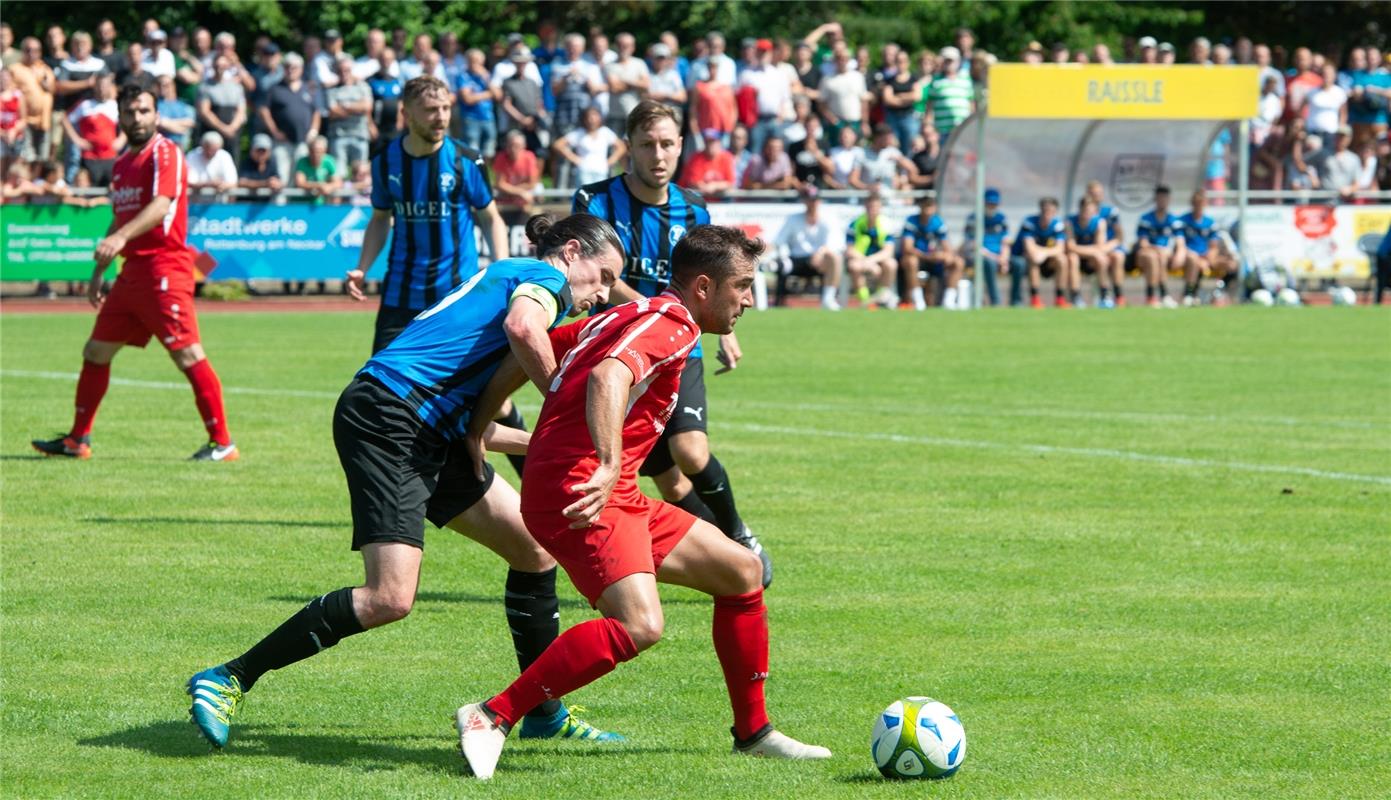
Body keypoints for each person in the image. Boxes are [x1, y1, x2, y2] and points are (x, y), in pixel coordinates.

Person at [186, 213, 625, 751]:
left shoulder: (511, 276)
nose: (603, 293)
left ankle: (542, 711)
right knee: (388, 597)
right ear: (572, 251)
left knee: (533, 550)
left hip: (422, 425)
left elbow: (469, 423)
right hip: (392, 418)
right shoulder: (546, 279)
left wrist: (546, 441)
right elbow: (522, 329)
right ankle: (229, 676)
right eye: (602, 275)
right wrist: (564, 401)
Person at [455, 226, 831, 780]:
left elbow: (521, 357)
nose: (749, 299)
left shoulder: (628, 313)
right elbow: (609, 375)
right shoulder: (675, 325)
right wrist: (606, 463)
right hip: (585, 489)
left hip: (612, 489)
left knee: (742, 571)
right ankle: (492, 714)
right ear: (703, 287)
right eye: (742, 286)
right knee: (640, 625)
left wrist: (477, 429)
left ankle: (754, 733)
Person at [573, 100, 771, 585]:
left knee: (691, 454)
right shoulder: (594, 202)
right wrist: (649, 309)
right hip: (618, 349)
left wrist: (729, 332)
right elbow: (597, 271)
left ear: (681, 146)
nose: (657, 154)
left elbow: (716, 276)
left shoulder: (694, 206)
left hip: (681, 347)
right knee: (668, 479)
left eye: (666, 144)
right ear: (630, 148)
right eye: (646, 145)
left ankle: (738, 536)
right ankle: (719, 560)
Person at [32, 83, 236, 462]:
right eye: (129, 112)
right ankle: (78, 440)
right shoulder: (124, 164)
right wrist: (99, 272)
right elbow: (119, 218)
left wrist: (121, 237)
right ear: (120, 117)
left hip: (165, 268)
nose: (137, 118)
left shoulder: (166, 152)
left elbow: (161, 205)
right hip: (131, 274)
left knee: (188, 355)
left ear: (156, 115)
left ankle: (222, 443)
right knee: (95, 351)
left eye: (144, 111)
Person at [346, 76, 509, 354]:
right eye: (432, 110)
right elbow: (380, 218)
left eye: (446, 108)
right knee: (379, 386)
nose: (441, 117)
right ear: (406, 114)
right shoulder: (385, 161)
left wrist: (503, 269)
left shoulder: (466, 160)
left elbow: (491, 217)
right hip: (401, 293)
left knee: (473, 389)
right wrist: (362, 267)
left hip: (458, 294)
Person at [770, 184, 842, 309]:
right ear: (804, 201)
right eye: (809, 200)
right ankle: (778, 302)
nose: (812, 203)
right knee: (781, 264)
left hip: (820, 261)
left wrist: (820, 253)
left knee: (835, 258)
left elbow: (835, 244)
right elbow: (779, 241)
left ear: (819, 201)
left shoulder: (829, 219)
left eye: (814, 200)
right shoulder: (793, 219)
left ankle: (828, 298)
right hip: (796, 260)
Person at [901, 194, 962, 310]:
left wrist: (945, 255)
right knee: (911, 261)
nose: (928, 210)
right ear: (920, 207)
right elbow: (907, 248)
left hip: (933, 259)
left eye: (931, 207)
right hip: (920, 258)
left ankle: (949, 301)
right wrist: (927, 256)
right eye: (926, 206)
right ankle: (918, 301)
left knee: (958, 262)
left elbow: (946, 245)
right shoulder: (912, 221)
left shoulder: (937, 222)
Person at [1010, 196, 1071, 308]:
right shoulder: (1029, 222)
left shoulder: (1058, 225)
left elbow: (1060, 248)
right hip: (1023, 258)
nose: (1047, 213)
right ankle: (1035, 298)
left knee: (1062, 260)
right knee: (1033, 258)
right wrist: (1040, 253)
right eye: (1045, 210)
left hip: (1046, 258)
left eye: (1051, 211)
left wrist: (1043, 253)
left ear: (1055, 212)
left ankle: (1060, 298)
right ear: (1040, 210)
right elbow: (1029, 247)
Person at [62, 72, 122, 187]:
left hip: (110, 157)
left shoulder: (114, 105)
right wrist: (77, 140)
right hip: (90, 157)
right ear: (95, 86)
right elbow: (65, 120)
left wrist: (121, 140)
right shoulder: (85, 105)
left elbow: (126, 124)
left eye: (105, 86)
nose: (101, 89)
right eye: (99, 85)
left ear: (110, 87)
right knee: (90, 189)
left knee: (111, 190)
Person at [1178, 190, 1237, 305]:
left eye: (1201, 203)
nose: (1198, 206)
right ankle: (1189, 294)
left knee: (1232, 265)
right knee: (1193, 260)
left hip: (1206, 257)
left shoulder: (1210, 223)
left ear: (1205, 204)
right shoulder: (1182, 221)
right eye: (1196, 203)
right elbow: (1179, 244)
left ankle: (1219, 293)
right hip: (1189, 257)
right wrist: (1199, 259)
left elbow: (1213, 246)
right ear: (1192, 203)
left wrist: (1209, 257)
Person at [845, 191, 899, 309]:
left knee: (891, 264)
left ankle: (882, 296)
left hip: (877, 259)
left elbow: (888, 251)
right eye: (870, 207)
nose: (872, 210)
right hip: (860, 259)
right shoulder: (855, 224)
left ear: (880, 208)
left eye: (875, 207)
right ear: (865, 207)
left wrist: (871, 260)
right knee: (854, 266)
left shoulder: (887, 224)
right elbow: (850, 250)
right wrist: (867, 261)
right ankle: (865, 301)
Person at [1135, 184, 1185, 307]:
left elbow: (1180, 242)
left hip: (1164, 255)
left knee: (1160, 256)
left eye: (1165, 198)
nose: (1162, 201)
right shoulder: (1146, 219)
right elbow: (1143, 243)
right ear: (1155, 199)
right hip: (1147, 253)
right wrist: (1158, 249)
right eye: (1160, 198)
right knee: (1153, 257)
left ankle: (1163, 296)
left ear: (1168, 200)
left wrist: (1179, 255)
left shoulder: (1174, 221)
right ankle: (1154, 296)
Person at [961, 187, 1010, 307]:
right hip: (980, 255)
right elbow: (973, 244)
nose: (992, 206)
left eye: (994, 204)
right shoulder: (974, 218)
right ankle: (995, 301)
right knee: (989, 264)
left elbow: (1005, 241)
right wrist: (995, 258)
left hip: (998, 256)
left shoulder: (1001, 219)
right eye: (989, 203)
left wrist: (1004, 258)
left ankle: (1016, 300)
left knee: (1019, 263)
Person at [554, 105, 624, 188]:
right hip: (584, 170)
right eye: (589, 116)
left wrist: (610, 161)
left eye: (595, 115)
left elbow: (621, 147)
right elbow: (558, 144)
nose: (592, 119)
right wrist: (573, 158)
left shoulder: (605, 132)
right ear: (584, 119)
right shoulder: (579, 133)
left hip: (601, 171)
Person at [323, 55, 372, 171]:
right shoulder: (332, 90)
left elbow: (367, 107)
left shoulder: (363, 87)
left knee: (361, 173)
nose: (344, 73)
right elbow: (333, 111)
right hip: (338, 136)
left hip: (360, 135)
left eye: (347, 70)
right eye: (340, 70)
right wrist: (357, 108)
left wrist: (344, 106)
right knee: (339, 173)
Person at [1066, 196, 1116, 308]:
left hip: (1091, 259)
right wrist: (1092, 251)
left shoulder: (1099, 222)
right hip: (1078, 258)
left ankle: (1105, 296)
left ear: (1094, 211)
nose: (1087, 212)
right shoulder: (1070, 222)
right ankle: (1075, 297)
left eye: (1090, 210)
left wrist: (1088, 251)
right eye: (1084, 209)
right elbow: (1070, 247)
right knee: (1072, 258)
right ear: (1080, 209)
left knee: (1101, 259)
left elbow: (1100, 247)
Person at [492, 129, 540, 224]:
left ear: (523, 146)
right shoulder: (501, 157)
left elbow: (532, 183)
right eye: (511, 145)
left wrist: (515, 191)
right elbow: (500, 184)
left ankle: (536, 223)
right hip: (508, 193)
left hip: (518, 192)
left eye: (517, 146)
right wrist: (519, 192)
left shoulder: (529, 157)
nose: (513, 149)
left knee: (538, 190)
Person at [456, 48, 498, 158]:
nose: (476, 64)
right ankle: (473, 174)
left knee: (489, 150)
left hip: (488, 117)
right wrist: (488, 94)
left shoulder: (487, 76)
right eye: (473, 61)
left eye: (478, 61)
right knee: (472, 151)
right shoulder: (463, 76)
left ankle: (486, 173)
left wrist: (486, 78)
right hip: (471, 118)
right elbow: (468, 99)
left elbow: (498, 95)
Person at [683, 127, 737, 195]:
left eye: (712, 141)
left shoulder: (727, 158)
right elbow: (693, 182)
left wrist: (715, 186)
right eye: (707, 141)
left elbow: (731, 183)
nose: (710, 145)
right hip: (701, 199)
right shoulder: (696, 158)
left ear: (719, 142)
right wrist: (706, 187)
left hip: (722, 202)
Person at [186, 130, 238, 198]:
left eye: (213, 150)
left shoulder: (225, 156)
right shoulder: (192, 156)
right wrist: (210, 184)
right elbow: (188, 182)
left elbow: (233, 183)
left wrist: (221, 185)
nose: (210, 153)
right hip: (194, 204)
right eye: (207, 148)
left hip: (218, 205)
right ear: (202, 145)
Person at [293, 135, 341, 204]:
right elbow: (300, 182)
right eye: (313, 151)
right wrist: (320, 185)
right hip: (302, 204)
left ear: (324, 151)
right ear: (309, 151)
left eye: (318, 151)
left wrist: (330, 187)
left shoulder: (329, 161)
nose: (316, 155)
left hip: (320, 205)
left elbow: (338, 182)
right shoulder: (302, 162)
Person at [239, 132, 282, 197]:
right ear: (252, 151)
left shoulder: (272, 163)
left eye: (263, 151)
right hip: (245, 204)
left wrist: (277, 184)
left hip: (267, 205)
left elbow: (278, 181)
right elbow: (242, 182)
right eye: (258, 150)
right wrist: (265, 183)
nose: (261, 154)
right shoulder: (246, 162)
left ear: (269, 152)